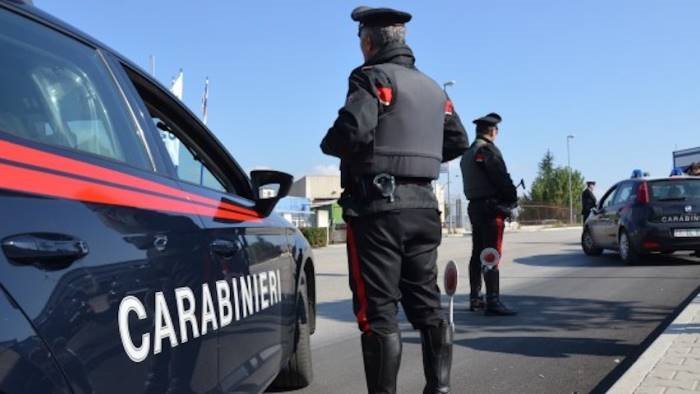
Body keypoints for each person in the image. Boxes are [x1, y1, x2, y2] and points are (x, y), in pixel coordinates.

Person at [320, 6, 469, 393]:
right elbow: (458, 140)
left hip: (378, 212)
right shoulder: (435, 88)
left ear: (368, 42)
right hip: (423, 209)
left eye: (360, 42)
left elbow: (351, 131)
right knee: (428, 307)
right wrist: (420, 162)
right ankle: (439, 388)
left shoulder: (371, 77)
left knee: (378, 315)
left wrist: (332, 145)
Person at [460, 113, 517, 316]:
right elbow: (501, 177)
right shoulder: (488, 150)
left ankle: (475, 298)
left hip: (474, 207)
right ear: (493, 131)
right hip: (491, 208)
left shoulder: (468, 153)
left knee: (477, 253)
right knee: (492, 252)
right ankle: (493, 300)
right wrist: (512, 198)